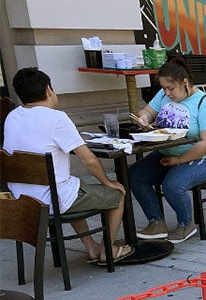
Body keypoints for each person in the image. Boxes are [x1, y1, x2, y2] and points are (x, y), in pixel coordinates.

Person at [3, 67, 132, 264]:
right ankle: (107, 250)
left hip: (23, 200)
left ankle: (91, 247)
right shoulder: (56, 118)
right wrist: (107, 182)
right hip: (53, 200)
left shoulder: (12, 117)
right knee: (118, 193)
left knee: (73, 187)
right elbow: (88, 159)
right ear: (48, 90)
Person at [130, 55, 206, 243]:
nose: (167, 93)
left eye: (171, 88)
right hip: (167, 153)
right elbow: (147, 111)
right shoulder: (163, 95)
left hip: (204, 158)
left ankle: (186, 224)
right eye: (164, 88)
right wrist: (144, 118)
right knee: (134, 175)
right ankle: (156, 222)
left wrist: (179, 161)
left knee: (172, 185)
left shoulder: (205, 103)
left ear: (185, 82)